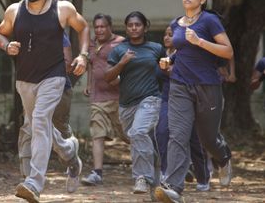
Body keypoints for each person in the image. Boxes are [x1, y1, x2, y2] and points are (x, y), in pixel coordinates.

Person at [0, 0, 90, 203]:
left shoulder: (63, 9)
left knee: (39, 120)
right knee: (40, 124)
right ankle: (70, 151)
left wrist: (83, 55)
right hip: (25, 79)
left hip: (54, 75)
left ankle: (34, 183)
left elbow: (83, 27)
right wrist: (8, 46)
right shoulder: (14, 10)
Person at [155, 0, 234, 203]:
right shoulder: (177, 23)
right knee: (177, 136)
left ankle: (224, 157)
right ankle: (173, 188)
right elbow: (182, 51)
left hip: (208, 85)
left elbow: (227, 52)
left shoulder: (210, 21)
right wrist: (169, 59)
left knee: (207, 139)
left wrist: (200, 41)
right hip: (180, 85)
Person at [104, 11, 165, 195]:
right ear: (126, 28)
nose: (134, 28)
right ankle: (157, 171)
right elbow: (108, 77)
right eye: (130, 25)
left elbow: (164, 73)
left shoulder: (156, 48)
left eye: (137, 24)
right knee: (138, 140)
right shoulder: (119, 50)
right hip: (126, 105)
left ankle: (142, 178)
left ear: (145, 27)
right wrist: (122, 63)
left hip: (150, 99)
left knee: (138, 132)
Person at [156, 26, 212, 192]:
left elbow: (180, 73)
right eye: (165, 34)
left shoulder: (186, 54)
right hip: (167, 98)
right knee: (162, 132)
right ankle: (167, 172)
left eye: (171, 35)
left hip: (189, 98)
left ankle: (202, 176)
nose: (167, 37)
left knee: (194, 139)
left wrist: (168, 69)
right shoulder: (161, 54)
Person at [81, 13, 128, 186]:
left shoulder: (121, 43)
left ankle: (157, 163)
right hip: (98, 97)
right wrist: (88, 84)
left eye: (103, 27)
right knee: (97, 134)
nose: (99, 30)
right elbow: (91, 66)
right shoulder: (92, 44)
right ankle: (97, 173)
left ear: (110, 27)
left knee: (128, 135)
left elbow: (129, 67)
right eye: (97, 27)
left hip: (119, 97)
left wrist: (121, 80)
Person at [18, 33, 75, 177]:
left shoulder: (57, 31)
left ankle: (72, 160)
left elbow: (68, 65)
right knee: (28, 127)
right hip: (32, 87)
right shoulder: (24, 32)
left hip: (58, 88)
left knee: (59, 128)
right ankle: (28, 178)